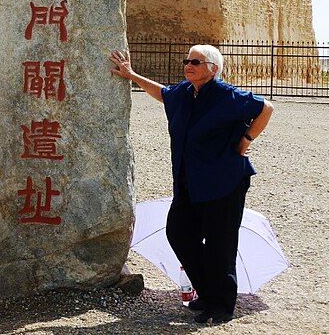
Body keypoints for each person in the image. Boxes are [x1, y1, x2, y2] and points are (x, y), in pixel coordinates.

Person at [109, 45, 274, 325]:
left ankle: (221, 305)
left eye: (196, 61)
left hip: (224, 182)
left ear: (213, 68)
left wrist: (246, 140)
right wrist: (132, 75)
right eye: (187, 60)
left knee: (220, 245)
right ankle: (208, 292)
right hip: (189, 180)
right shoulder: (184, 93)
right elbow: (161, 93)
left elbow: (266, 108)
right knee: (179, 233)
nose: (189, 65)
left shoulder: (228, 96)